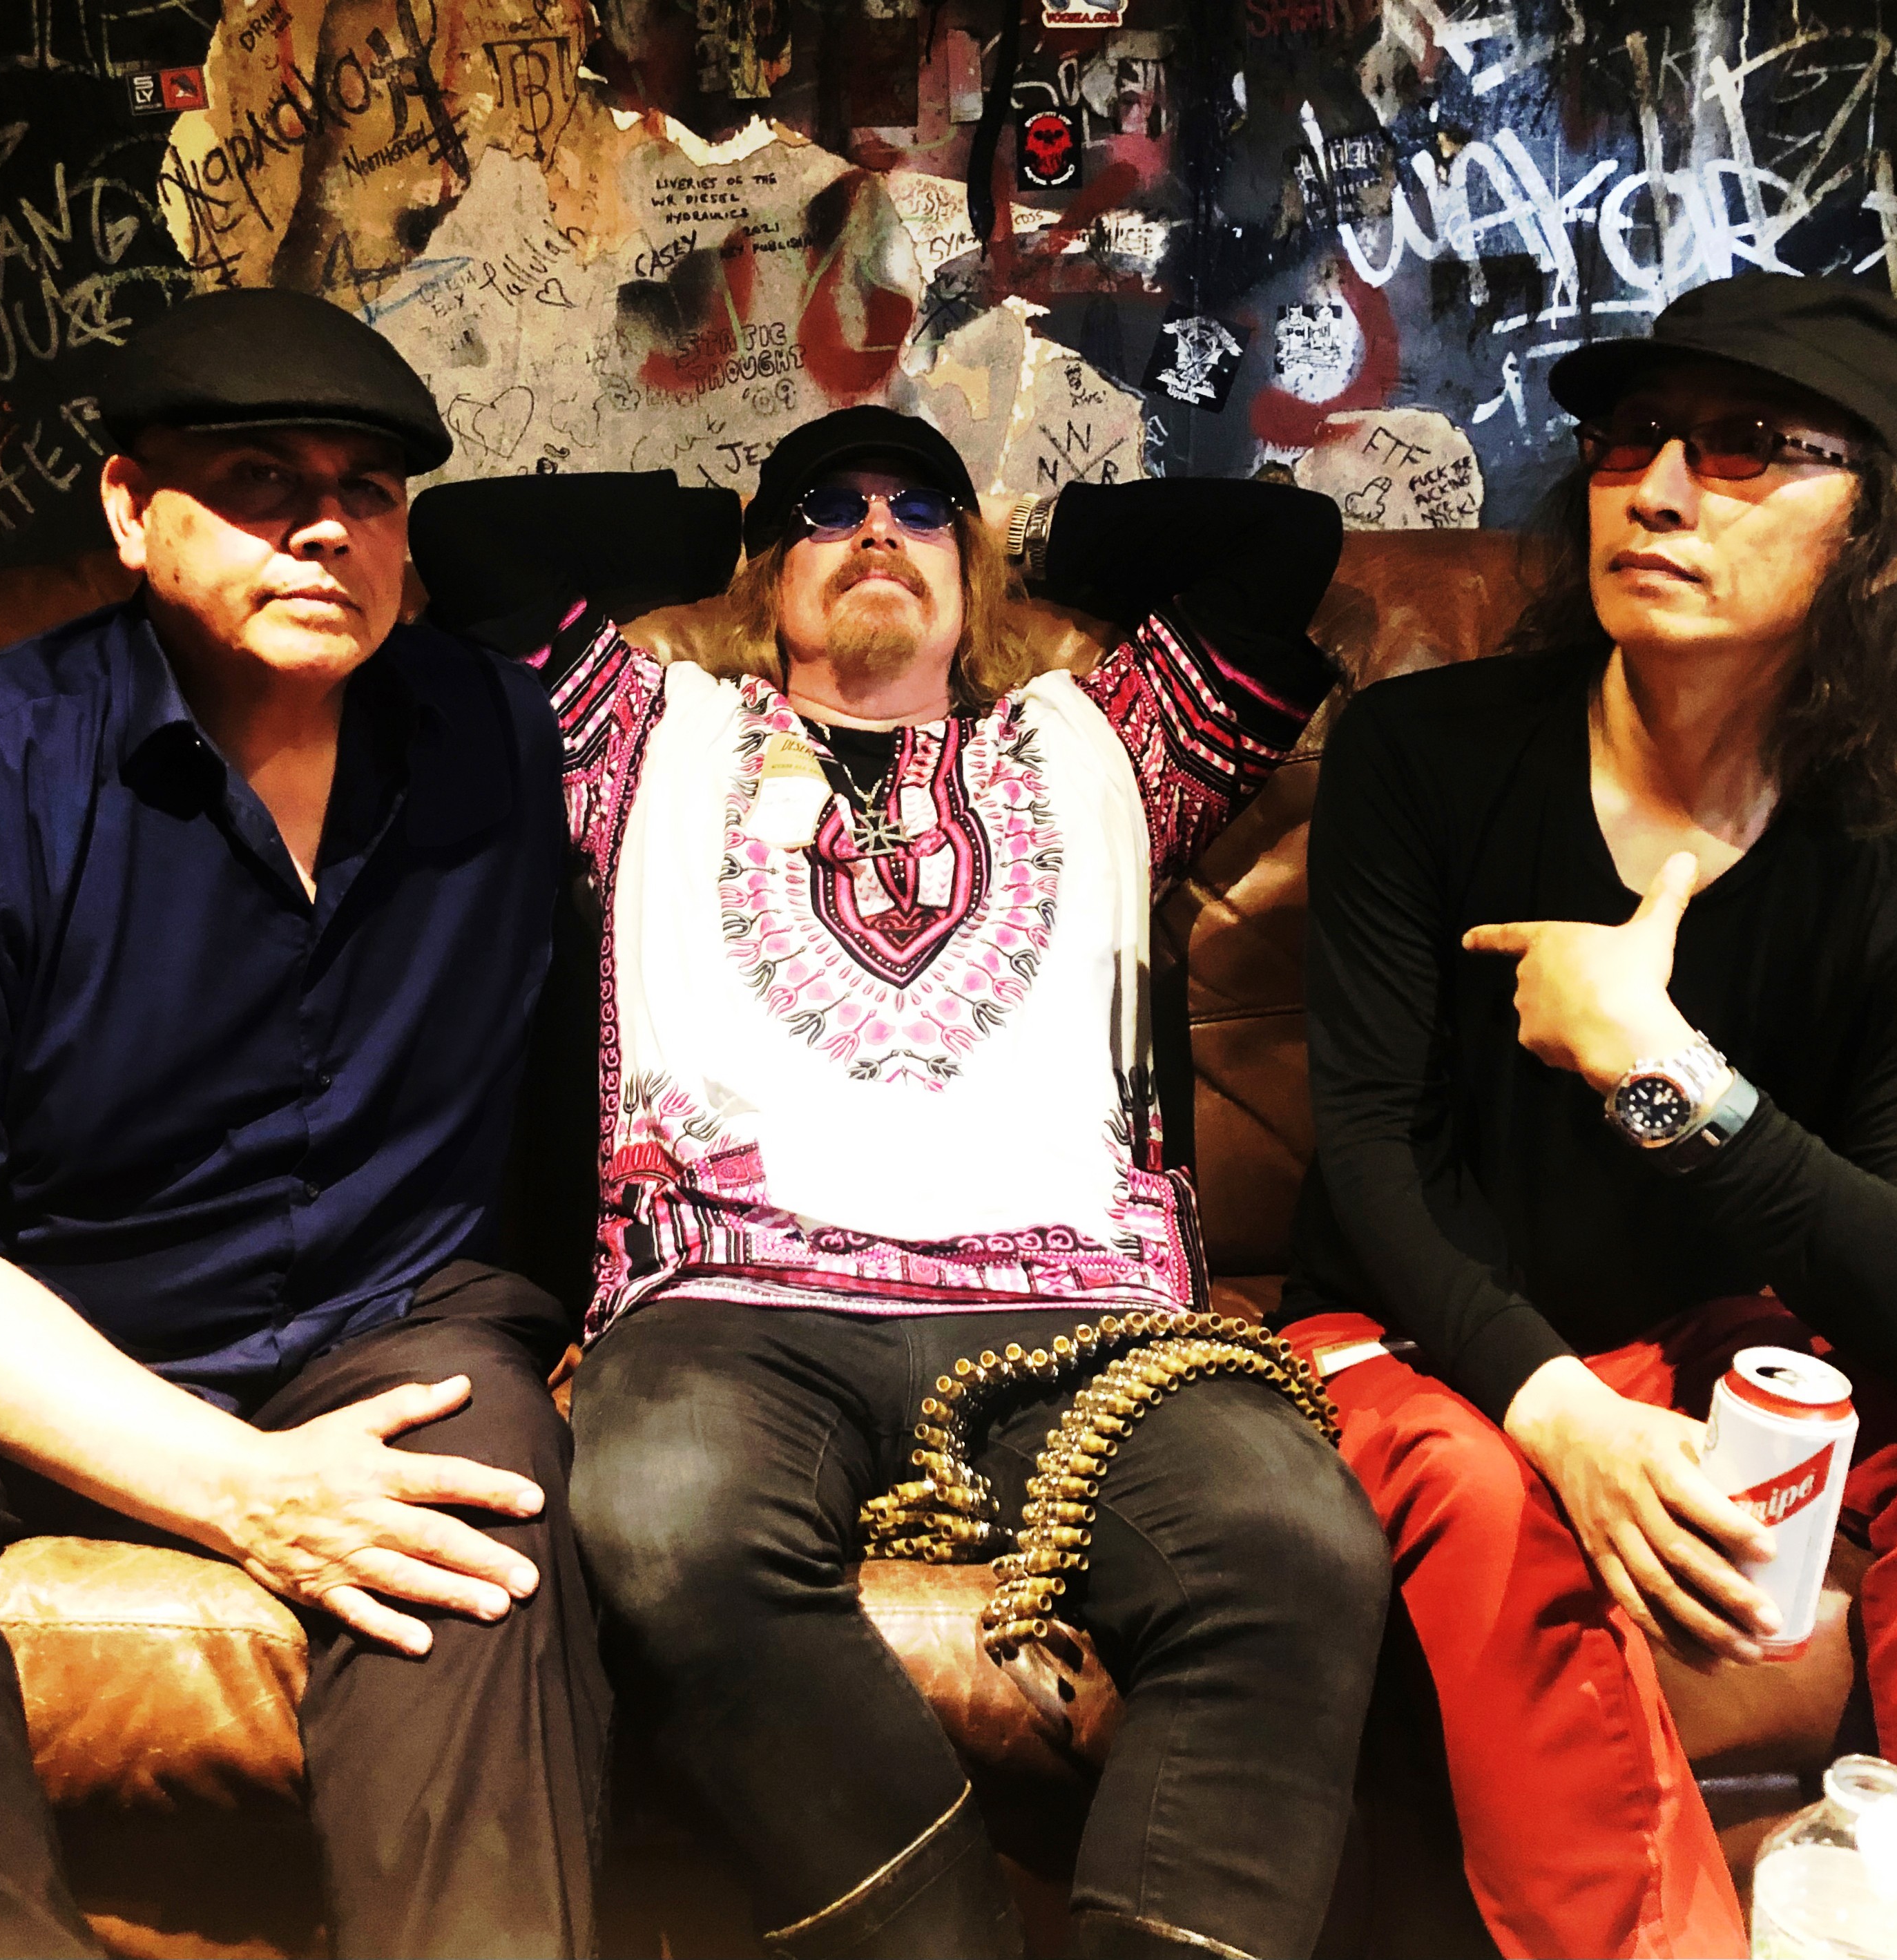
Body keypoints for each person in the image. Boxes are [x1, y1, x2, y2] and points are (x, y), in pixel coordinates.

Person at [0, 289, 608, 1959]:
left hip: (384, 1336)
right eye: (259, 480)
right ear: (133, 511)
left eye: (366, 491)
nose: (324, 527)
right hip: (53, 1348)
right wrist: (237, 1490)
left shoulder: (497, 733)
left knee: (479, 1497)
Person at [412, 407, 1391, 1960]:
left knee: (1295, 1549)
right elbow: (464, 539)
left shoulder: (1108, 741)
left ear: (975, 574)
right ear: (762, 579)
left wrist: (1022, 533)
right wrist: (728, 521)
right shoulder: (645, 732)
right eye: (829, 510)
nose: (876, 529)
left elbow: (1286, 543)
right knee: (659, 1525)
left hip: (1081, 1308)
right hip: (730, 1297)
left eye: (919, 510)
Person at [1283, 270, 1897, 1958]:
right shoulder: (1417, 752)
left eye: (1748, 445)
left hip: (1718, 1341)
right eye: (1632, 437)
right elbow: (1373, 1154)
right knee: (1487, 1499)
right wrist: (1555, 1411)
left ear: (1884, 537)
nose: (1660, 489)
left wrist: (1664, 1072)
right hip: (1421, 1331)